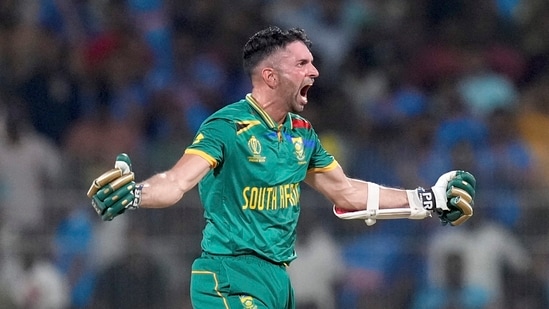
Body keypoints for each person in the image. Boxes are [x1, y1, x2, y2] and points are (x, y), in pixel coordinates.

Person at [86, 26, 476, 308]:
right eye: (302, 63)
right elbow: (176, 181)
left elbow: (346, 193)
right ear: (270, 76)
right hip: (228, 277)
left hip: (278, 281)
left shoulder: (302, 135)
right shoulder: (227, 126)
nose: (314, 72)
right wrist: (136, 194)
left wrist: (428, 199)